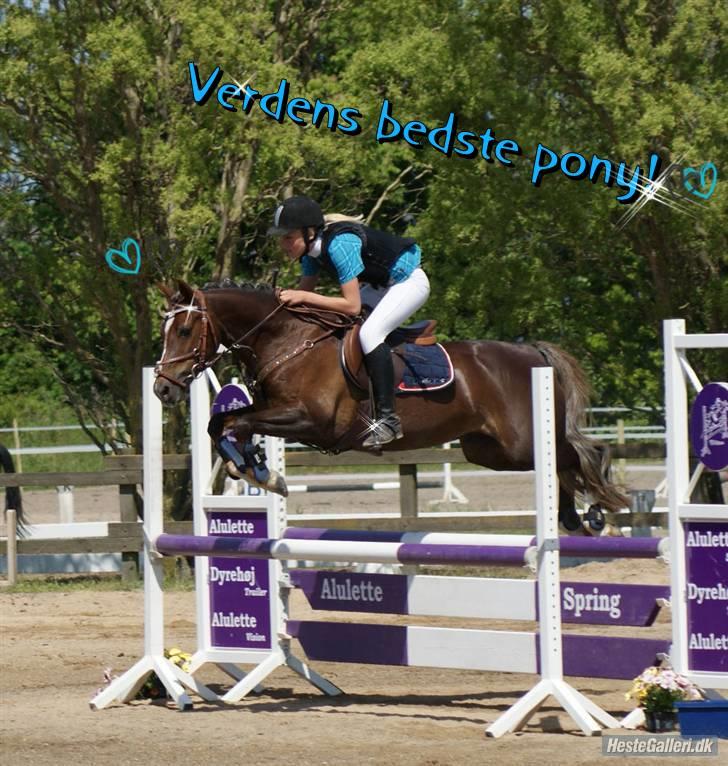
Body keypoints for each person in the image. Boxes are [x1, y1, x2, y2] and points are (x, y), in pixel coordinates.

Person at [269, 195, 430, 448]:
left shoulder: (340, 244)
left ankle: (388, 420)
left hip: (408, 281)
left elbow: (351, 305)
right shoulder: (311, 254)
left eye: (288, 237)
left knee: (370, 334)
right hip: (380, 286)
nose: (283, 244)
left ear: (309, 232)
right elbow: (304, 302)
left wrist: (301, 296)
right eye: (281, 238)